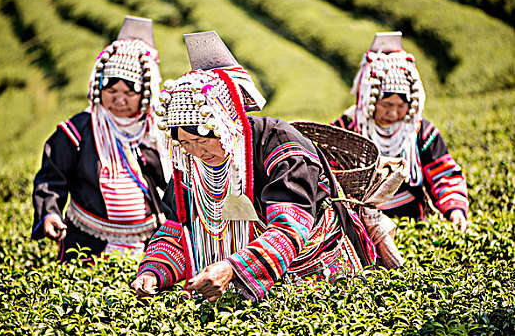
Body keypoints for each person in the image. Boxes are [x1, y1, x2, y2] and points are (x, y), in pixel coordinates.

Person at [130, 31, 392, 302]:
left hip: (312, 276)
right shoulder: (188, 165)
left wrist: (233, 269)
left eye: (201, 140)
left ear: (226, 126)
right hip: (234, 278)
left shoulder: (281, 145)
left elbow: (291, 227)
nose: (197, 151)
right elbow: (175, 227)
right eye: (185, 143)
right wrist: (153, 272)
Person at [31, 16, 169, 262]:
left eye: (129, 93)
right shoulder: (78, 130)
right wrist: (49, 213)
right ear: (98, 88)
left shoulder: (153, 132)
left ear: (145, 95)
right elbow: (52, 177)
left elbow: (169, 182)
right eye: (111, 91)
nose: (119, 100)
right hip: (86, 242)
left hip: (147, 243)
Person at [332, 32, 469, 233]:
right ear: (369, 100)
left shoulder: (420, 130)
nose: (393, 113)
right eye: (386, 105)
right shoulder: (346, 129)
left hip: (414, 223)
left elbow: (443, 173)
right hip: (361, 227)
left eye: (401, 106)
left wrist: (454, 210)